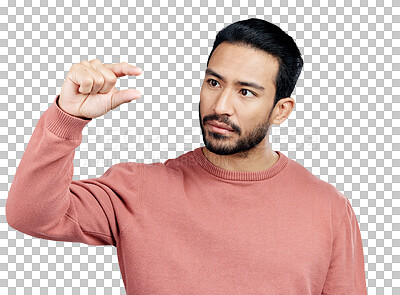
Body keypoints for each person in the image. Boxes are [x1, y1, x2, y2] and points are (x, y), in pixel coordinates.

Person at [6, 18, 368, 294]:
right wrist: (68, 118)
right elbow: (30, 214)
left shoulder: (329, 209)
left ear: (281, 110)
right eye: (214, 82)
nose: (221, 106)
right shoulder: (139, 189)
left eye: (246, 92)